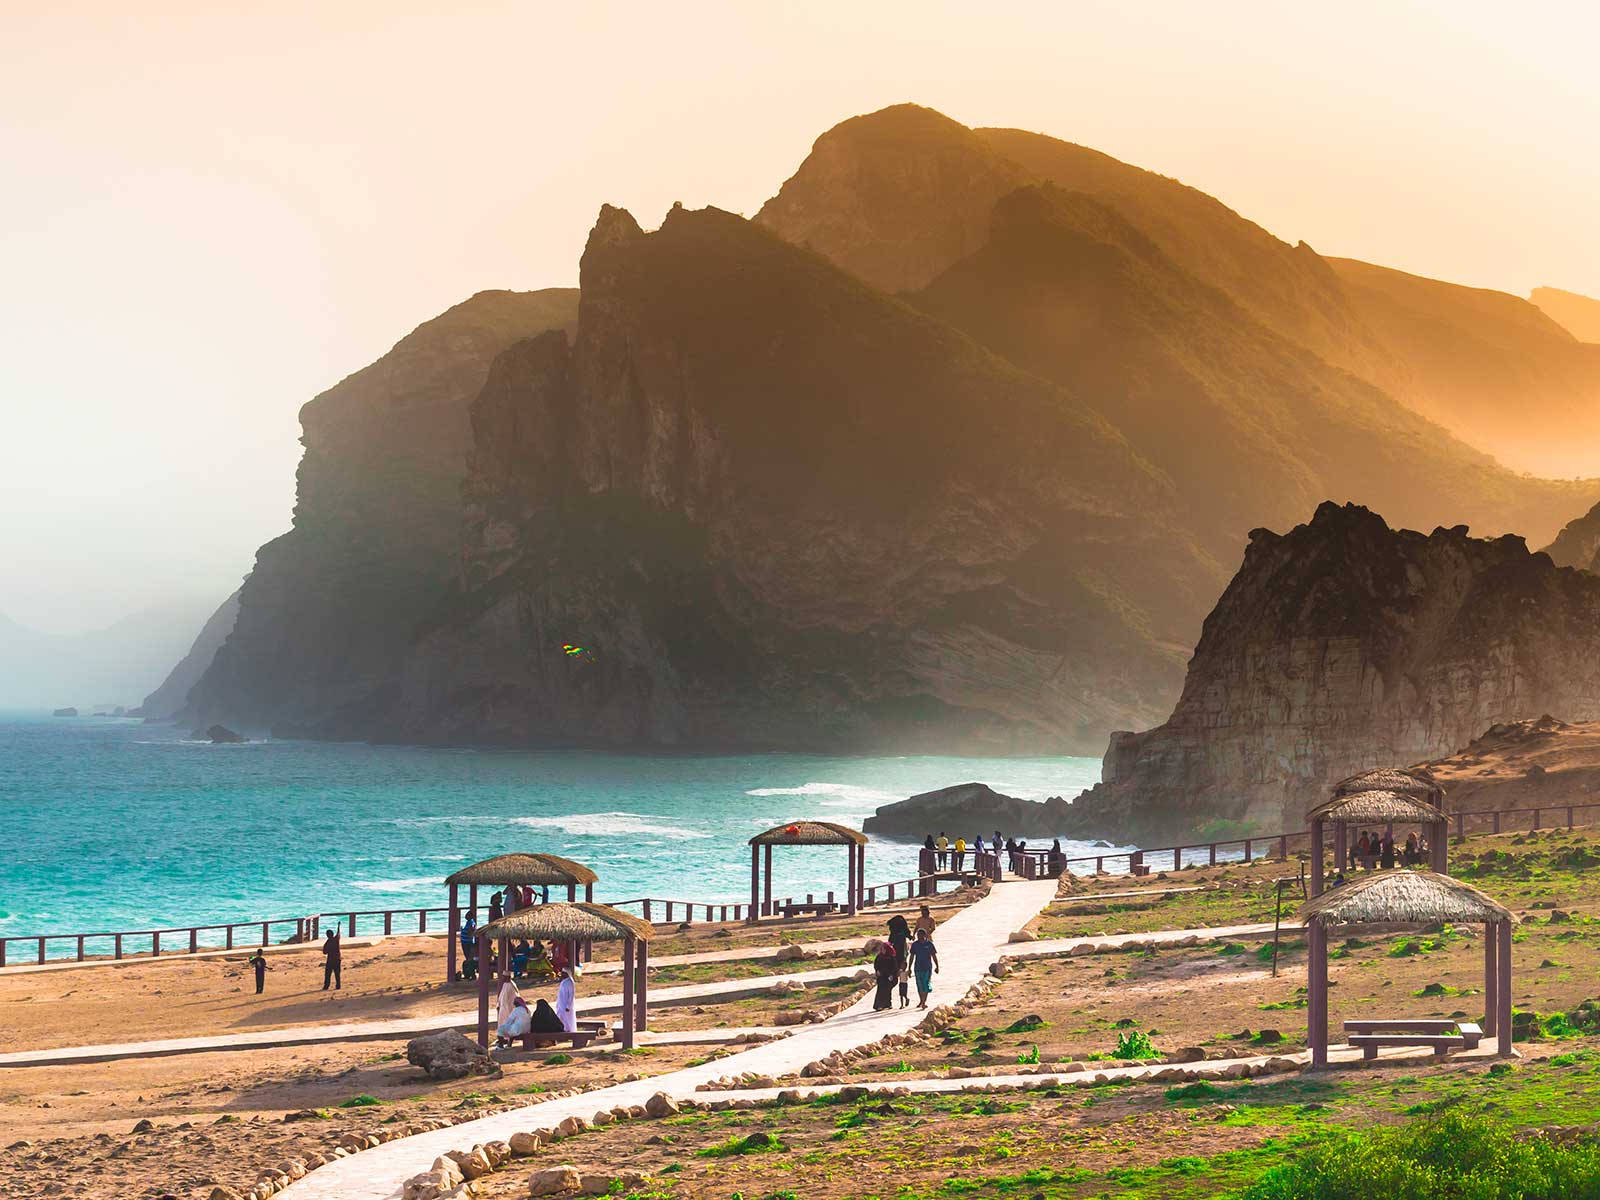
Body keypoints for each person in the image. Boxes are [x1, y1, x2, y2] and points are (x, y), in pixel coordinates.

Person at [908, 927, 939, 1009]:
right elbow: (911, 956)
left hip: (927, 967)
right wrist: (909, 968)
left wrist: (937, 966)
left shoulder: (929, 944)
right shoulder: (915, 944)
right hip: (917, 967)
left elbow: (933, 955)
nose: (919, 936)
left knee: (926, 984)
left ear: (924, 935)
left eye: (920, 934)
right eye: (918, 935)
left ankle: (923, 1002)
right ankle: (921, 1000)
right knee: (919, 985)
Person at [886, 913, 911, 1005]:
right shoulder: (901, 931)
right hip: (899, 956)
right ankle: (903, 999)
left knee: (900, 981)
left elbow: (890, 941)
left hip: (898, 956)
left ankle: (902, 999)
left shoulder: (896, 932)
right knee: (902, 981)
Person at [871, 939, 899, 1011]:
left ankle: (888, 1004)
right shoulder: (879, 957)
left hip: (889, 977)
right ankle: (879, 1005)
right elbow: (876, 965)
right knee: (881, 990)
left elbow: (895, 967)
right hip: (881, 976)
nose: (882, 950)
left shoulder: (891, 957)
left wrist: (892, 974)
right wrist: (877, 970)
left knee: (887, 990)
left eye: (884, 948)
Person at [555, 965, 578, 1033]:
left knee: (568, 1020)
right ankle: (563, 1032)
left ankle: (570, 1032)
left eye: (563, 973)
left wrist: (568, 1006)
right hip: (561, 1004)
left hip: (567, 1006)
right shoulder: (564, 982)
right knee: (561, 1018)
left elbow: (571, 996)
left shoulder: (570, 982)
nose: (561, 974)